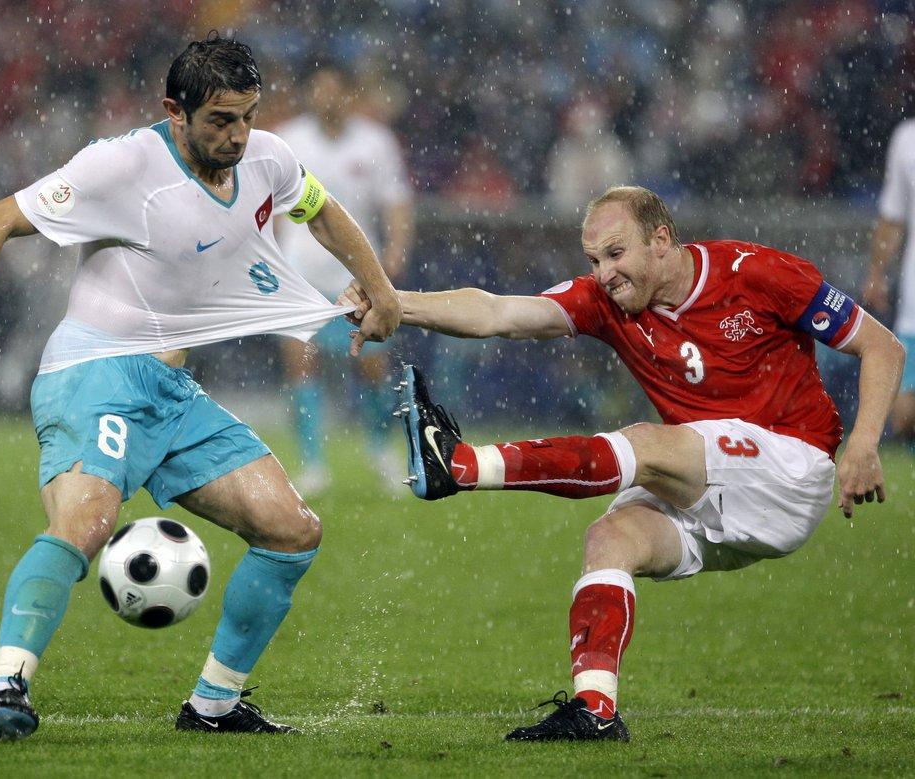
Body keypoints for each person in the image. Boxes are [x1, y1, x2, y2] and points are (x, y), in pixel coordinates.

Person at [0, 35, 400, 742]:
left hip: (170, 393)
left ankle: (213, 705)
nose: (237, 135)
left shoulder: (268, 156)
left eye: (247, 116)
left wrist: (383, 289)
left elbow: (321, 211)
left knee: (292, 530)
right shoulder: (121, 165)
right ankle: (3, 691)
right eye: (219, 121)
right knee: (86, 525)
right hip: (94, 372)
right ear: (175, 111)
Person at [343, 185, 903, 742]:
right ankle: (595, 710)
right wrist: (397, 302)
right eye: (593, 260)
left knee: (650, 444)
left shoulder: (755, 272)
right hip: (715, 488)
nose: (605, 273)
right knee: (610, 538)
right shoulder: (607, 303)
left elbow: (882, 346)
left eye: (615, 253)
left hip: (790, 468)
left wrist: (864, 443)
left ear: (661, 240)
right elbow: (498, 312)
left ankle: (462, 467)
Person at [276, 62, 413, 494]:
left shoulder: (376, 141)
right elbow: (267, 205)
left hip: (357, 277)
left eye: (334, 89)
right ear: (309, 94)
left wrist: (396, 249)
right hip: (300, 274)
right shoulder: (288, 140)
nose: (327, 98)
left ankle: (380, 450)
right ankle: (313, 465)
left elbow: (396, 199)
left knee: (374, 368)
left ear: (348, 93)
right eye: (319, 90)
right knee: (300, 366)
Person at [863, 118, 915, 448]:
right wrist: (876, 273)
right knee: (904, 415)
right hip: (914, 304)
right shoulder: (907, 139)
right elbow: (892, 217)